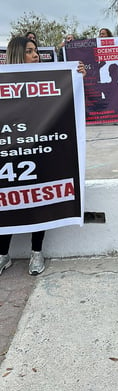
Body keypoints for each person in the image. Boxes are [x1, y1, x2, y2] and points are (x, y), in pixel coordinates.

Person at [0, 35, 86, 277]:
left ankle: (36, 252)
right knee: (6, 201)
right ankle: (2, 254)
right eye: (29, 51)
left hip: (39, 151)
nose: (35, 55)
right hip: (9, 154)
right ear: (17, 54)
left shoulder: (50, 79)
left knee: (40, 200)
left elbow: (66, 107)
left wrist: (75, 78)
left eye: (36, 51)